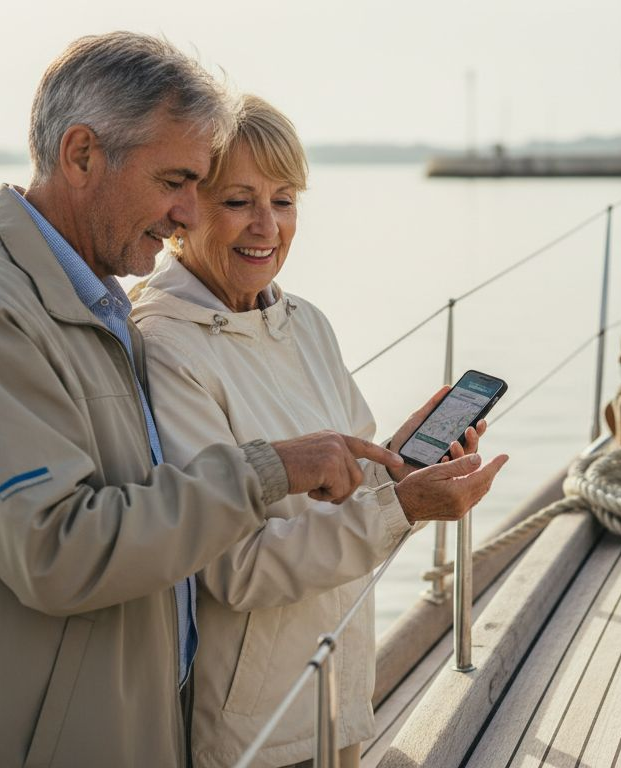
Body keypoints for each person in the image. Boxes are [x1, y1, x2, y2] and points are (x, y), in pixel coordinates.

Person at [0, 33, 499, 768]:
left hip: (130, 729)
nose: (186, 213)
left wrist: (388, 469)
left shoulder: (95, 310)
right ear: (82, 155)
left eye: (206, 187)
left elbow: (146, 519)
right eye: (178, 181)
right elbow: (59, 552)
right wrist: (284, 473)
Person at [130, 95, 507, 767]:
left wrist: (398, 463)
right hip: (256, 727)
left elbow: (351, 488)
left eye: (284, 200)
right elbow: (235, 569)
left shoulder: (304, 322)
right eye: (239, 201)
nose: (267, 226)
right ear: (184, 212)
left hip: (339, 685)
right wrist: (403, 506)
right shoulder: (165, 348)